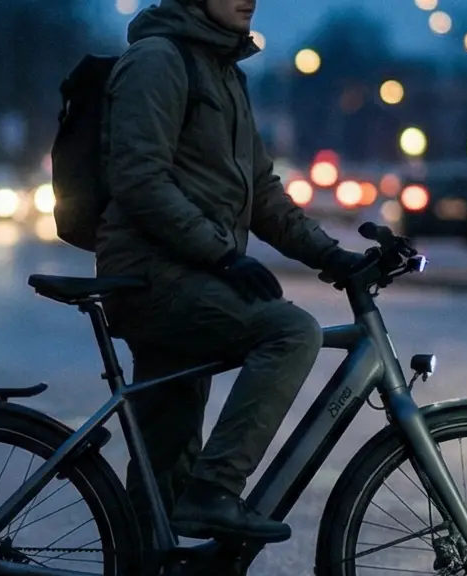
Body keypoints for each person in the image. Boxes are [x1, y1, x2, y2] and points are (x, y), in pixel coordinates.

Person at [95, 0, 366, 544]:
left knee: (161, 469)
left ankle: (146, 549)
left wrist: (331, 256)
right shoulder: (159, 61)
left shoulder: (222, 73)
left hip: (188, 274)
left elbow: (262, 194)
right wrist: (223, 255)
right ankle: (214, 490)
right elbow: (139, 179)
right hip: (155, 278)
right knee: (291, 331)